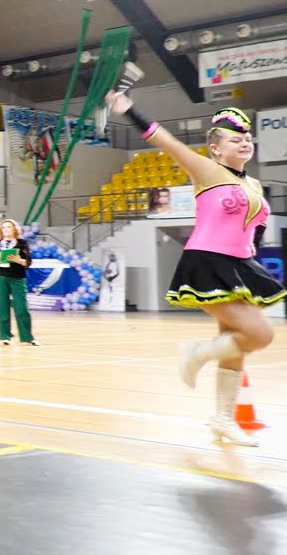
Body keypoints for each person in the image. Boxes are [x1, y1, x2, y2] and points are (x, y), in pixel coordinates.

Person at [106, 95, 280, 445]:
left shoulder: (255, 185)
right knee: (261, 334)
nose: (245, 142)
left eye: (247, 138)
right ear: (216, 149)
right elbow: (163, 139)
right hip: (207, 261)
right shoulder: (206, 170)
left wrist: (251, 260)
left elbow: (256, 229)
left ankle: (222, 420)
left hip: (240, 265)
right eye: (235, 139)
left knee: (236, 346)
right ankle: (195, 354)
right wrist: (130, 110)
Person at [0, 219, 37, 345]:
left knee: (21, 307)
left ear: (14, 229)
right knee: (2, 306)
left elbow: (28, 262)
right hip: (1, 277)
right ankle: (5, 336)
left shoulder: (22, 243)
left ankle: (27, 337)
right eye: (4, 227)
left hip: (17, 278)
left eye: (9, 227)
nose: (6, 229)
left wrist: (18, 260)